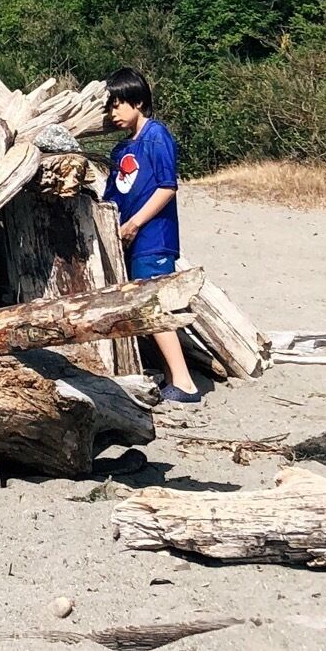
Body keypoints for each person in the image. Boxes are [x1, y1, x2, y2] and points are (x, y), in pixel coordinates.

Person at [101, 67, 199, 403]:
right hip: (128, 240)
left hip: (154, 237)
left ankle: (184, 382)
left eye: (118, 104)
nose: (113, 112)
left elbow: (167, 187)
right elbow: (112, 196)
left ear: (138, 101)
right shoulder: (120, 151)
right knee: (142, 305)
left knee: (155, 307)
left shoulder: (156, 136)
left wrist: (135, 223)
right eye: (109, 106)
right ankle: (170, 376)